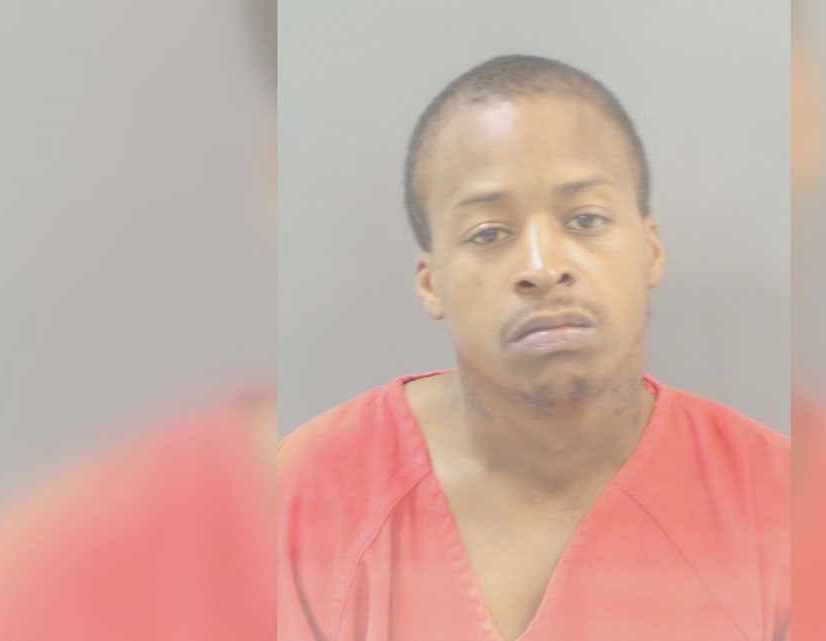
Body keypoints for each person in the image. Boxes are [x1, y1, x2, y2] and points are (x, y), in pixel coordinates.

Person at [278, 55, 790, 641]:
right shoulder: (305, 497)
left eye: (586, 220)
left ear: (650, 250)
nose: (543, 268)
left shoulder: (782, 504)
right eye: (489, 233)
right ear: (430, 282)